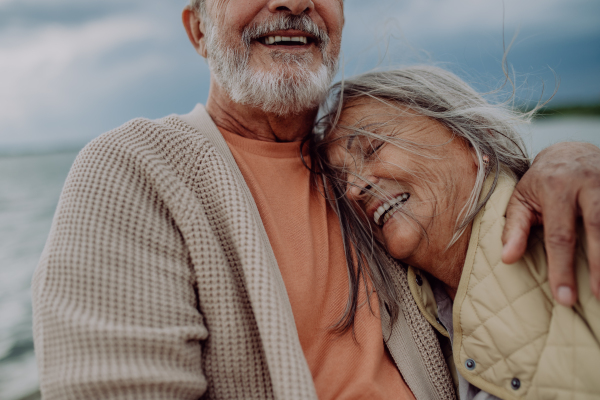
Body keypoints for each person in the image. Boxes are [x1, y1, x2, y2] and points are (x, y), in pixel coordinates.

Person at [31, 0, 600, 399]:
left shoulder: (369, 182)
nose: (293, 1)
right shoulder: (135, 167)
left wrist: (562, 158)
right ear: (198, 29)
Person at [316, 65, 600, 399]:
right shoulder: (419, 315)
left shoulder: (575, 227)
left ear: (473, 138)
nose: (353, 189)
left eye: (373, 147)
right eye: (340, 181)